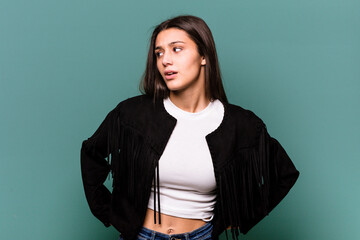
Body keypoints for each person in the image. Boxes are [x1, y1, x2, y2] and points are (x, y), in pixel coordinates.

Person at [80, 15, 299, 240]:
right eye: (159, 52)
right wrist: (112, 214)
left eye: (176, 49)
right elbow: (91, 153)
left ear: (203, 55)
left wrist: (241, 218)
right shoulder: (132, 114)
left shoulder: (241, 125)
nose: (165, 60)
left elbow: (284, 173)